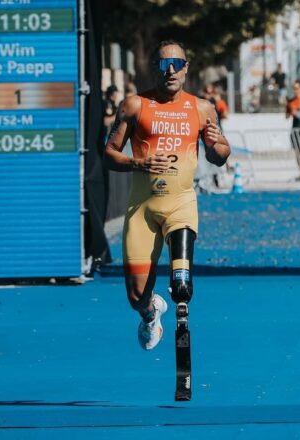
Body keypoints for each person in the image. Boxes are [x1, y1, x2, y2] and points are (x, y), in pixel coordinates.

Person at [104, 40, 230, 350]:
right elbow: (108, 154)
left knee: (181, 283)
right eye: (163, 65)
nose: (170, 70)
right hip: (143, 209)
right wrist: (138, 162)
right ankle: (150, 314)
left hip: (180, 205)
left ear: (187, 68)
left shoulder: (202, 108)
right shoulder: (134, 105)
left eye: (177, 64)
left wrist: (216, 145)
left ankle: (181, 304)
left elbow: (220, 155)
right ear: (154, 69)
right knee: (136, 297)